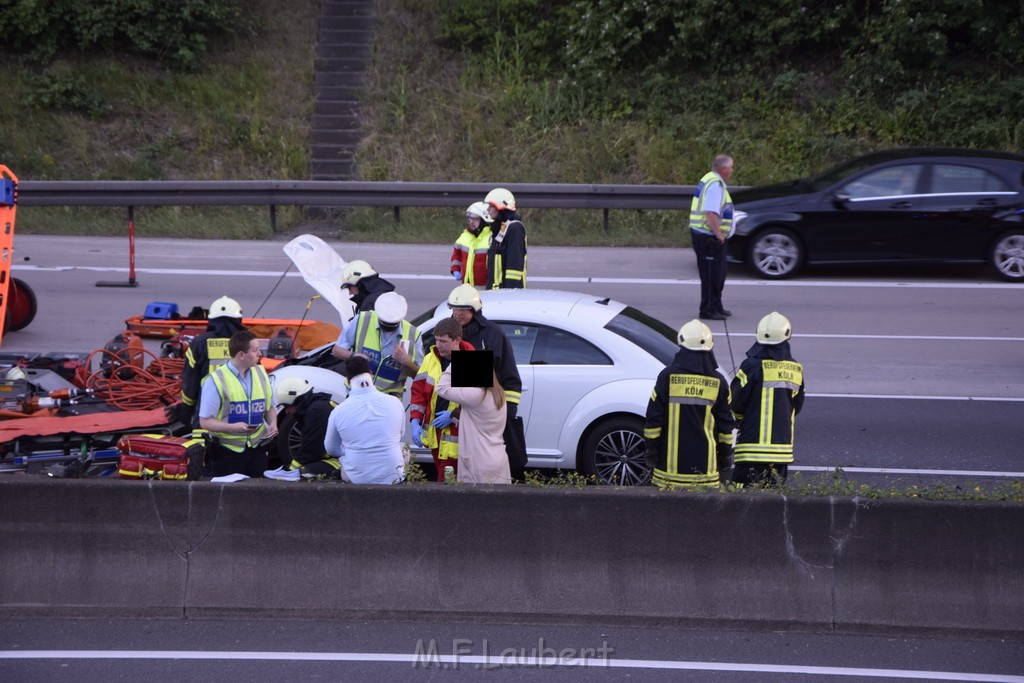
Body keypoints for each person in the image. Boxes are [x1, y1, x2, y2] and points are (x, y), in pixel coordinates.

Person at [447, 284, 527, 480]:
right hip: (457, 406)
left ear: (474, 310)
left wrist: (507, 411)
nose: (457, 314)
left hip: (486, 409)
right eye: (454, 309)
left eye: (462, 310)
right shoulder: (448, 332)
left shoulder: (493, 334)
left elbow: (509, 376)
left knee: (487, 458)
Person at [643, 319, 735, 490]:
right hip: (705, 475)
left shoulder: (666, 377)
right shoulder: (719, 382)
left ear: (682, 344)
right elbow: (726, 427)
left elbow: (653, 419)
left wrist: (651, 448)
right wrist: (725, 454)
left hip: (667, 474)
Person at [730, 312, 805, 487]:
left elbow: (735, 401)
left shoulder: (751, 365)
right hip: (782, 450)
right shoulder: (796, 369)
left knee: (747, 499)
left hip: (751, 448)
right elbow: (797, 406)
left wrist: (741, 420)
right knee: (773, 499)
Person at [198, 330, 278, 478]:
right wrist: (231, 428)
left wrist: (273, 422)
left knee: (257, 497)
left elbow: (269, 407)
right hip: (227, 454)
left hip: (257, 450)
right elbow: (205, 421)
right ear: (241, 355)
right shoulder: (216, 380)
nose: (259, 354)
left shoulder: (261, 373)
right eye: (255, 350)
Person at [410, 318, 475, 482]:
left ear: (457, 340)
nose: (438, 345)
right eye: (436, 340)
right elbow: (418, 391)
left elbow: (479, 401)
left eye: (443, 341)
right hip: (436, 432)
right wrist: (415, 421)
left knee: (446, 482)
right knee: (447, 480)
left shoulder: (474, 360)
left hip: (458, 431)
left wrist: (454, 414)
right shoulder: (430, 359)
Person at [324, 356, 406, 484]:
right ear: (371, 374)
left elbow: (331, 449)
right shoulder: (395, 402)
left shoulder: (338, 411)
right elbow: (399, 435)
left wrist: (353, 448)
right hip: (394, 476)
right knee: (402, 447)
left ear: (347, 378)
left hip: (357, 478)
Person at [331, 291, 424, 398]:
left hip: (389, 399)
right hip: (358, 393)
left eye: (391, 325)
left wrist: (407, 362)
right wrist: (354, 356)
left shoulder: (413, 334)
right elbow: (336, 350)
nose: (387, 327)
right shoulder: (362, 320)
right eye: (384, 323)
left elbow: (421, 376)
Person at [172, 295, 247, 425]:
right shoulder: (247, 343)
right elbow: (258, 378)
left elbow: (191, 380)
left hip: (208, 411)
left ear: (211, 319)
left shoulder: (199, 343)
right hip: (242, 410)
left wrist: (187, 407)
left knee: (202, 443)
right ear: (238, 319)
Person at [437, 363, 510, 484]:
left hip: (478, 460)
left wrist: (454, 364)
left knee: (475, 502)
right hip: (498, 457)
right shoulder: (498, 394)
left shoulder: (476, 394)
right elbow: (479, 420)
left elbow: (442, 387)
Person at [263, 377, 342, 481]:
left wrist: (290, 469)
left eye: (287, 406)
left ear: (298, 401)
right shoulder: (316, 407)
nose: (286, 412)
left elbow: (311, 449)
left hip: (344, 461)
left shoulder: (317, 412)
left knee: (305, 473)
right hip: (342, 457)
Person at [689, 155, 735, 321]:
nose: (732, 170)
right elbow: (710, 213)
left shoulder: (709, 178)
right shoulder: (715, 185)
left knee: (719, 274)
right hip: (708, 237)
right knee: (711, 276)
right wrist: (719, 234)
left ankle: (716, 306)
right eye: (731, 167)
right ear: (723, 169)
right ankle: (708, 310)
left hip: (707, 235)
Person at [484, 188, 527, 289]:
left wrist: (509, 295)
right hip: (495, 294)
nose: (487, 209)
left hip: (507, 296)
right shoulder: (502, 227)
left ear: (501, 207)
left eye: (491, 206)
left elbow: (514, 268)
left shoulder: (515, 228)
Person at [450, 201, 492, 287]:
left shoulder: (492, 238)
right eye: (470, 218)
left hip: (486, 287)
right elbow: (456, 256)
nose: (471, 222)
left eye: (475, 219)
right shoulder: (464, 236)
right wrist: (455, 270)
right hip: (467, 286)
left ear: (484, 220)